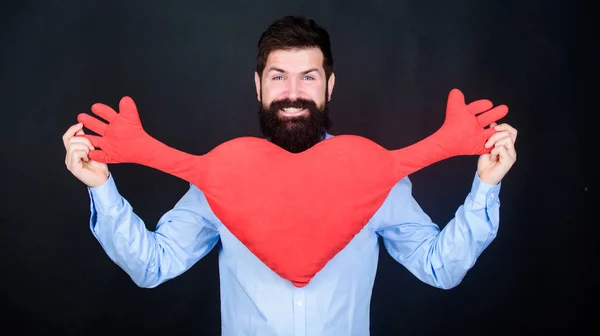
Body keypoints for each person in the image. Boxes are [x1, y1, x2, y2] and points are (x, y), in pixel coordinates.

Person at [62, 15, 517, 336]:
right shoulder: (222, 178)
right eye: (279, 77)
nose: (293, 93)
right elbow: (153, 266)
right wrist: (102, 187)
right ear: (257, 85)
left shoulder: (375, 177)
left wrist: (486, 186)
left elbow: (439, 267)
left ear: (330, 85)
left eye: (309, 77)